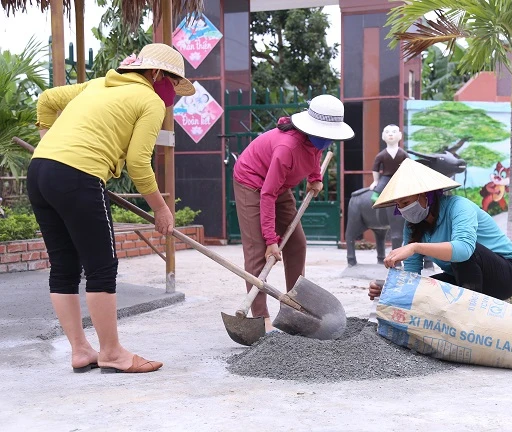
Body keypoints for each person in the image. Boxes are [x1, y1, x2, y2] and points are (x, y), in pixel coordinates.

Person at [27, 44, 195, 373]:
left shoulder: (98, 83)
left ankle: (80, 350)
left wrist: (48, 141)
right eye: (174, 83)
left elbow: (47, 99)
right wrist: (162, 209)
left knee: (64, 266)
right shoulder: (149, 100)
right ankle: (112, 352)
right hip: (79, 174)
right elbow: (138, 164)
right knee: (102, 267)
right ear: (156, 74)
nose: (172, 92)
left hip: (40, 171)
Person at [233, 95, 354, 331]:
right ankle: (261, 317)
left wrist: (315, 178)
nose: (328, 140)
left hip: (278, 186)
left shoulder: (316, 140)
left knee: (297, 243)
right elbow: (267, 194)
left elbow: (314, 154)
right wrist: (270, 241)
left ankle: (295, 305)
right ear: (311, 127)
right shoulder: (286, 148)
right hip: (251, 181)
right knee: (258, 251)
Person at [368, 158, 512, 301]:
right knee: (421, 289)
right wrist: (390, 289)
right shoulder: (411, 225)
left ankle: (468, 311)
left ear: (425, 195)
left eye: (406, 202)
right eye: (399, 205)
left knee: (464, 250)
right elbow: (412, 276)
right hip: (462, 277)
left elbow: (464, 251)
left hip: (504, 276)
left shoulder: (460, 206)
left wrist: (415, 247)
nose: (403, 209)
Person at [369, 124, 409, 202]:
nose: (390, 134)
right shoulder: (381, 155)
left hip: (400, 177)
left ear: (400, 135)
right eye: (387, 132)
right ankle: (385, 202)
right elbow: (375, 168)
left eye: (394, 132)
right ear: (383, 136)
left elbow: (410, 165)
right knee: (374, 196)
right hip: (386, 177)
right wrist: (375, 181)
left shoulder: (403, 153)